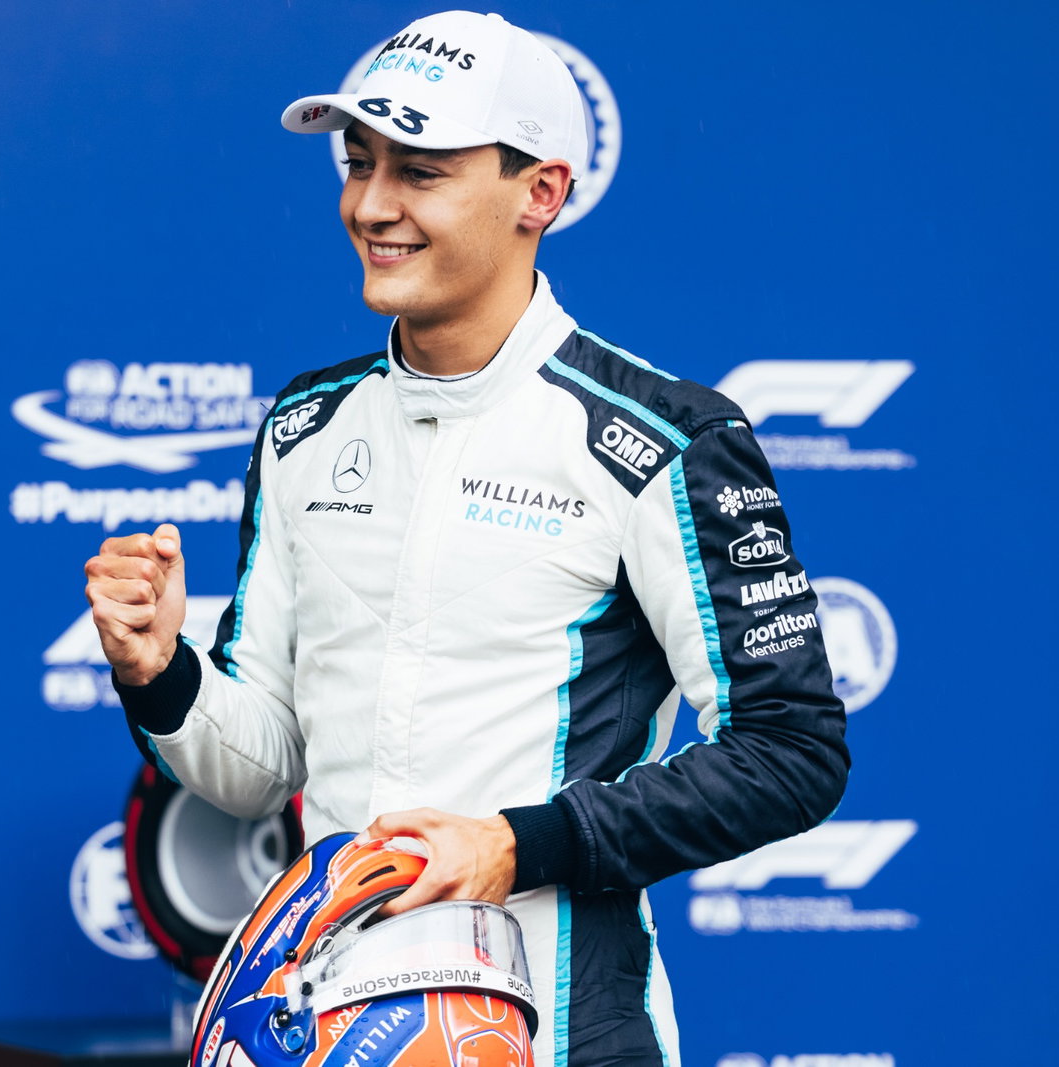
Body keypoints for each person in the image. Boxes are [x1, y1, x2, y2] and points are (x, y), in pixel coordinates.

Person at [83, 10, 849, 1065]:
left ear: (540, 193)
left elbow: (792, 750)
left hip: (562, 1036)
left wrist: (513, 844)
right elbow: (261, 769)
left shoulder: (663, 439)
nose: (372, 204)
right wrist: (160, 668)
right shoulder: (306, 429)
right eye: (359, 163)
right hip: (325, 1029)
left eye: (422, 171)